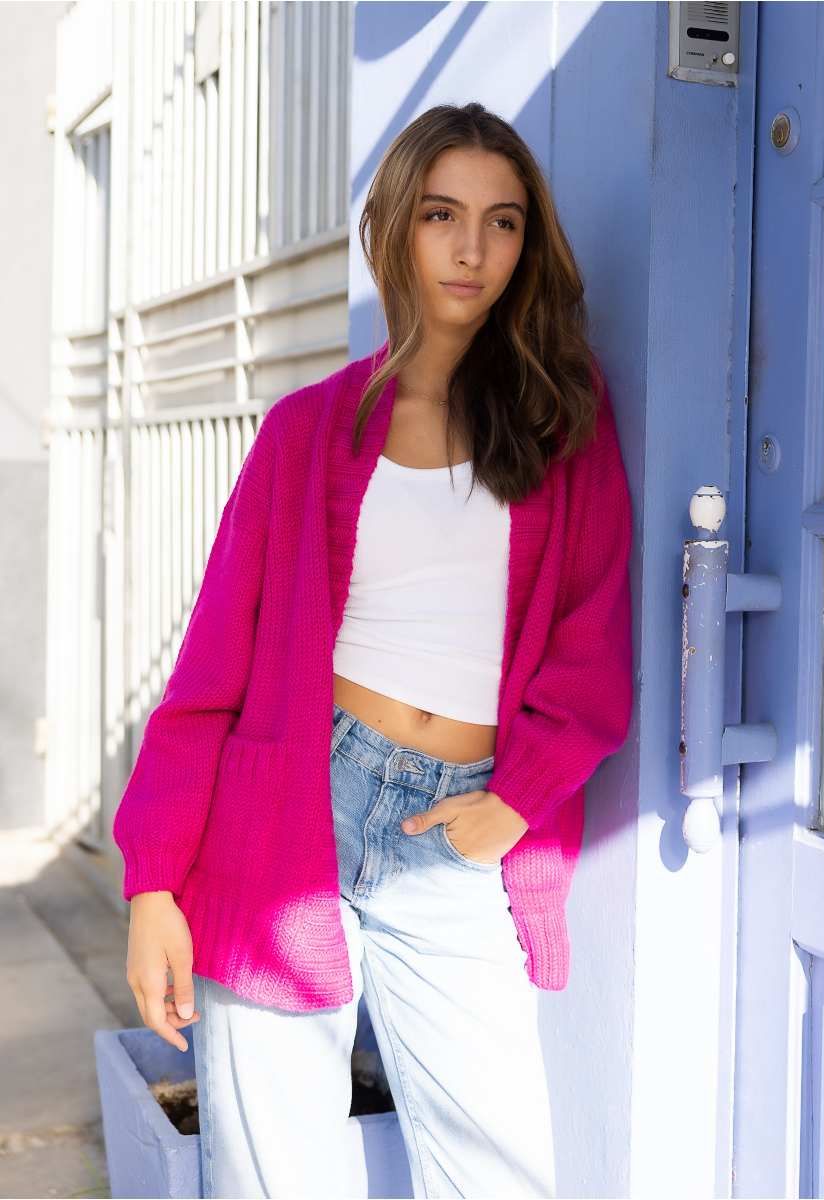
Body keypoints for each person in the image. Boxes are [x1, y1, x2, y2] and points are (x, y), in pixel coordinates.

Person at [115, 102, 632, 1200]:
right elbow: (211, 674)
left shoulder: (563, 423)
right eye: (442, 214)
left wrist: (517, 799)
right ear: (396, 226)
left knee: (501, 1172)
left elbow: (590, 648)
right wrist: (155, 883)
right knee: (273, 1176)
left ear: (526, 246)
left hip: (455, 828)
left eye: (502, 223)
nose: (470, 249)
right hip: (291, 804)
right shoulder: (308, 430)